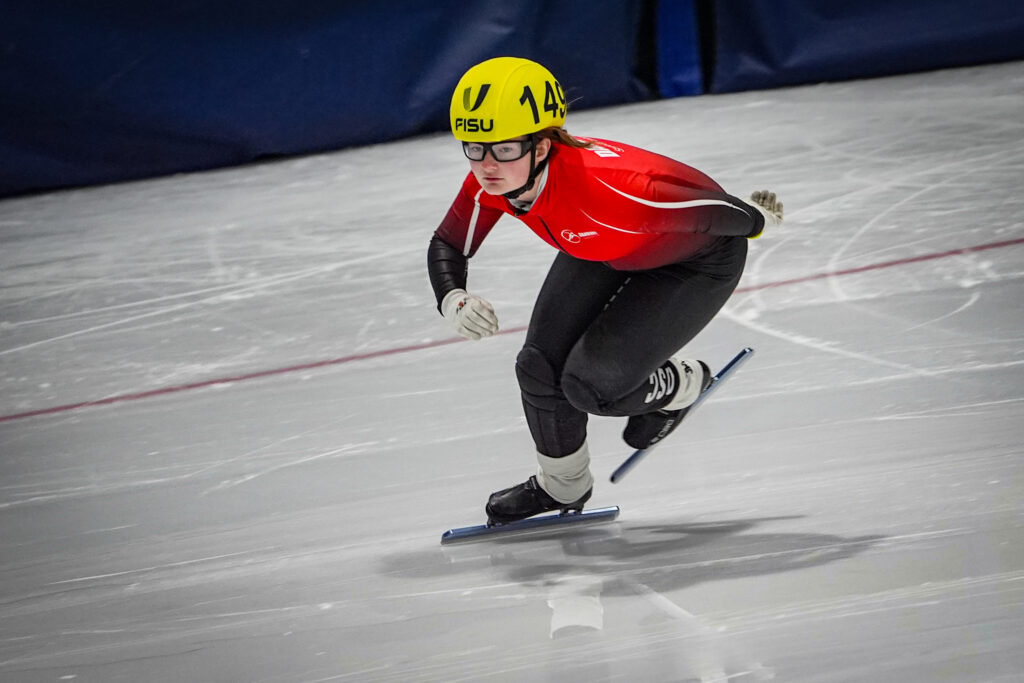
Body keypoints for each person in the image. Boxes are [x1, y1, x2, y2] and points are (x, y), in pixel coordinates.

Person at [428, 57, 783, 525]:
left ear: (543, 145)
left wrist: (757, 220)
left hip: (693, 264)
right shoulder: (491, 181)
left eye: (505, 148)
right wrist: (453, 297)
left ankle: (683, 383)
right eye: (474, 147)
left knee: (591, 389)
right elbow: (449, 243)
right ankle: (561, 487)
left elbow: (704, 205)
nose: (488, 166)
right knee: (538, 367)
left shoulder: (619, 189)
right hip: (602, 248)